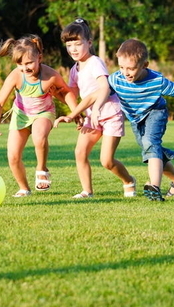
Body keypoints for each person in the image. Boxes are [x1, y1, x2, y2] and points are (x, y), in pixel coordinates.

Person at [55, 38, 174, 201]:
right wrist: (73, 114)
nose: (126, 72)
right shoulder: (117, 79)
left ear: (145, 65)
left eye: (131, 68)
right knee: (151, 150)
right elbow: (96, 94)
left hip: (155, 112)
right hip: (136, 119)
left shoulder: (157, 81)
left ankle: (154, 187)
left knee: (150, 143)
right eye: (121, 67)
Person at [54, 18, 136, 199]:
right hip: (92, 116)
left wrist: (96, 107)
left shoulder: (95, 62)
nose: (73, 49)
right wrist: (55, 95)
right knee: (80, 152)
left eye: (77, 43)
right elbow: (71, 95)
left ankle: (129, 181)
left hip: (110, 113)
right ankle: (87, 191)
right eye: (69, 45)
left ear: (89, 43)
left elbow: (104, 87)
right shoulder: (75, 69)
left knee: (106, 161)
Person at [0, 34, 78, 197]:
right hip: (21, 116)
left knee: (39, 136)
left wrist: (76, 112)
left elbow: (67, 93)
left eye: (29, 63)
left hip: (44, 113)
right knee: (13, 156)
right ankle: (24, 188)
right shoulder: (16, 75)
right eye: (20, 64)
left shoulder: (50, 75)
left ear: (40, 58)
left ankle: (41, 169)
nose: (25, 68)